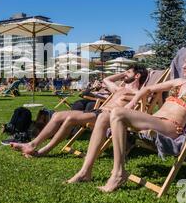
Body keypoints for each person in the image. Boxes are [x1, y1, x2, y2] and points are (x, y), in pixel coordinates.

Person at [67, 49, 186, 192]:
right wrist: (132, 102)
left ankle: (118, 173)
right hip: (155, 120)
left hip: (171, 128)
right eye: (184, 62)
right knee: (103, 116)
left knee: (118, 114)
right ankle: (85, 171)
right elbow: (147, 89)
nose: (183, 66)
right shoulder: (179, 82)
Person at [10, 64, 148, 157]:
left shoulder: (140, 93)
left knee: (70, 119)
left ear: (137, 76)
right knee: (58, 115)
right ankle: (34, 146)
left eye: (128, 72)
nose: (124, 75)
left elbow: (141, 109)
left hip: (108, 117)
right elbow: (106, 79)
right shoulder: (120, 89)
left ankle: (38, 149)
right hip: (98, 112)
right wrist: (124, 73)